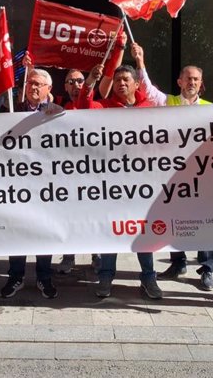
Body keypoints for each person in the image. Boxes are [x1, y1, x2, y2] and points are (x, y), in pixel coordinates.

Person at [132, 43, 213, 291]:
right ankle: (178, 262)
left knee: (205, 222)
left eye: (196, 79)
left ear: (201, 84)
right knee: (174, 220)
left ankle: (207, 269)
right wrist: (140, 63)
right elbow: (147, 89)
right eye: (188, 78)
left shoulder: (212, 109)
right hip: (172, 176)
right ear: (179, 81)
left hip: (202, 176)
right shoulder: (168, 101)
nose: (192, 82)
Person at [78, 64, 164, 300]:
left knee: (142, 232)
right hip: (112, 186)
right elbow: (84, 108)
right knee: (111, 230)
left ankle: (148, 277)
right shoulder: (105, 107)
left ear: (137, 84)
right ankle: (106, 276)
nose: (121, 84)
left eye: (126, 79)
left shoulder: (151, 108)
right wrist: (90, 83)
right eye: (117, 80)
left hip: (142, 185)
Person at [0, 66, 59, 299]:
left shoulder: (57, 112)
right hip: (18, 183)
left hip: (46, 185)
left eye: (38, 84)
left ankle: (44, 277)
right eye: (30, 83)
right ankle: (16, 276)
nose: (33, 87)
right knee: (18, 231)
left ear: (48, 89)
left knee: (44, 232)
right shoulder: (12, 110)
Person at [56, 66, 103, 275]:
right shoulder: (56, 109)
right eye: (71, 82)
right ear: (65, 87)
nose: (76, 85)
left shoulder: (96, 106)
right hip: (67, 174)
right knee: (70, 216)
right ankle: (69, 256)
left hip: (94, 174)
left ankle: (97, 255)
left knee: (94, 216)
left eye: (79, 81)